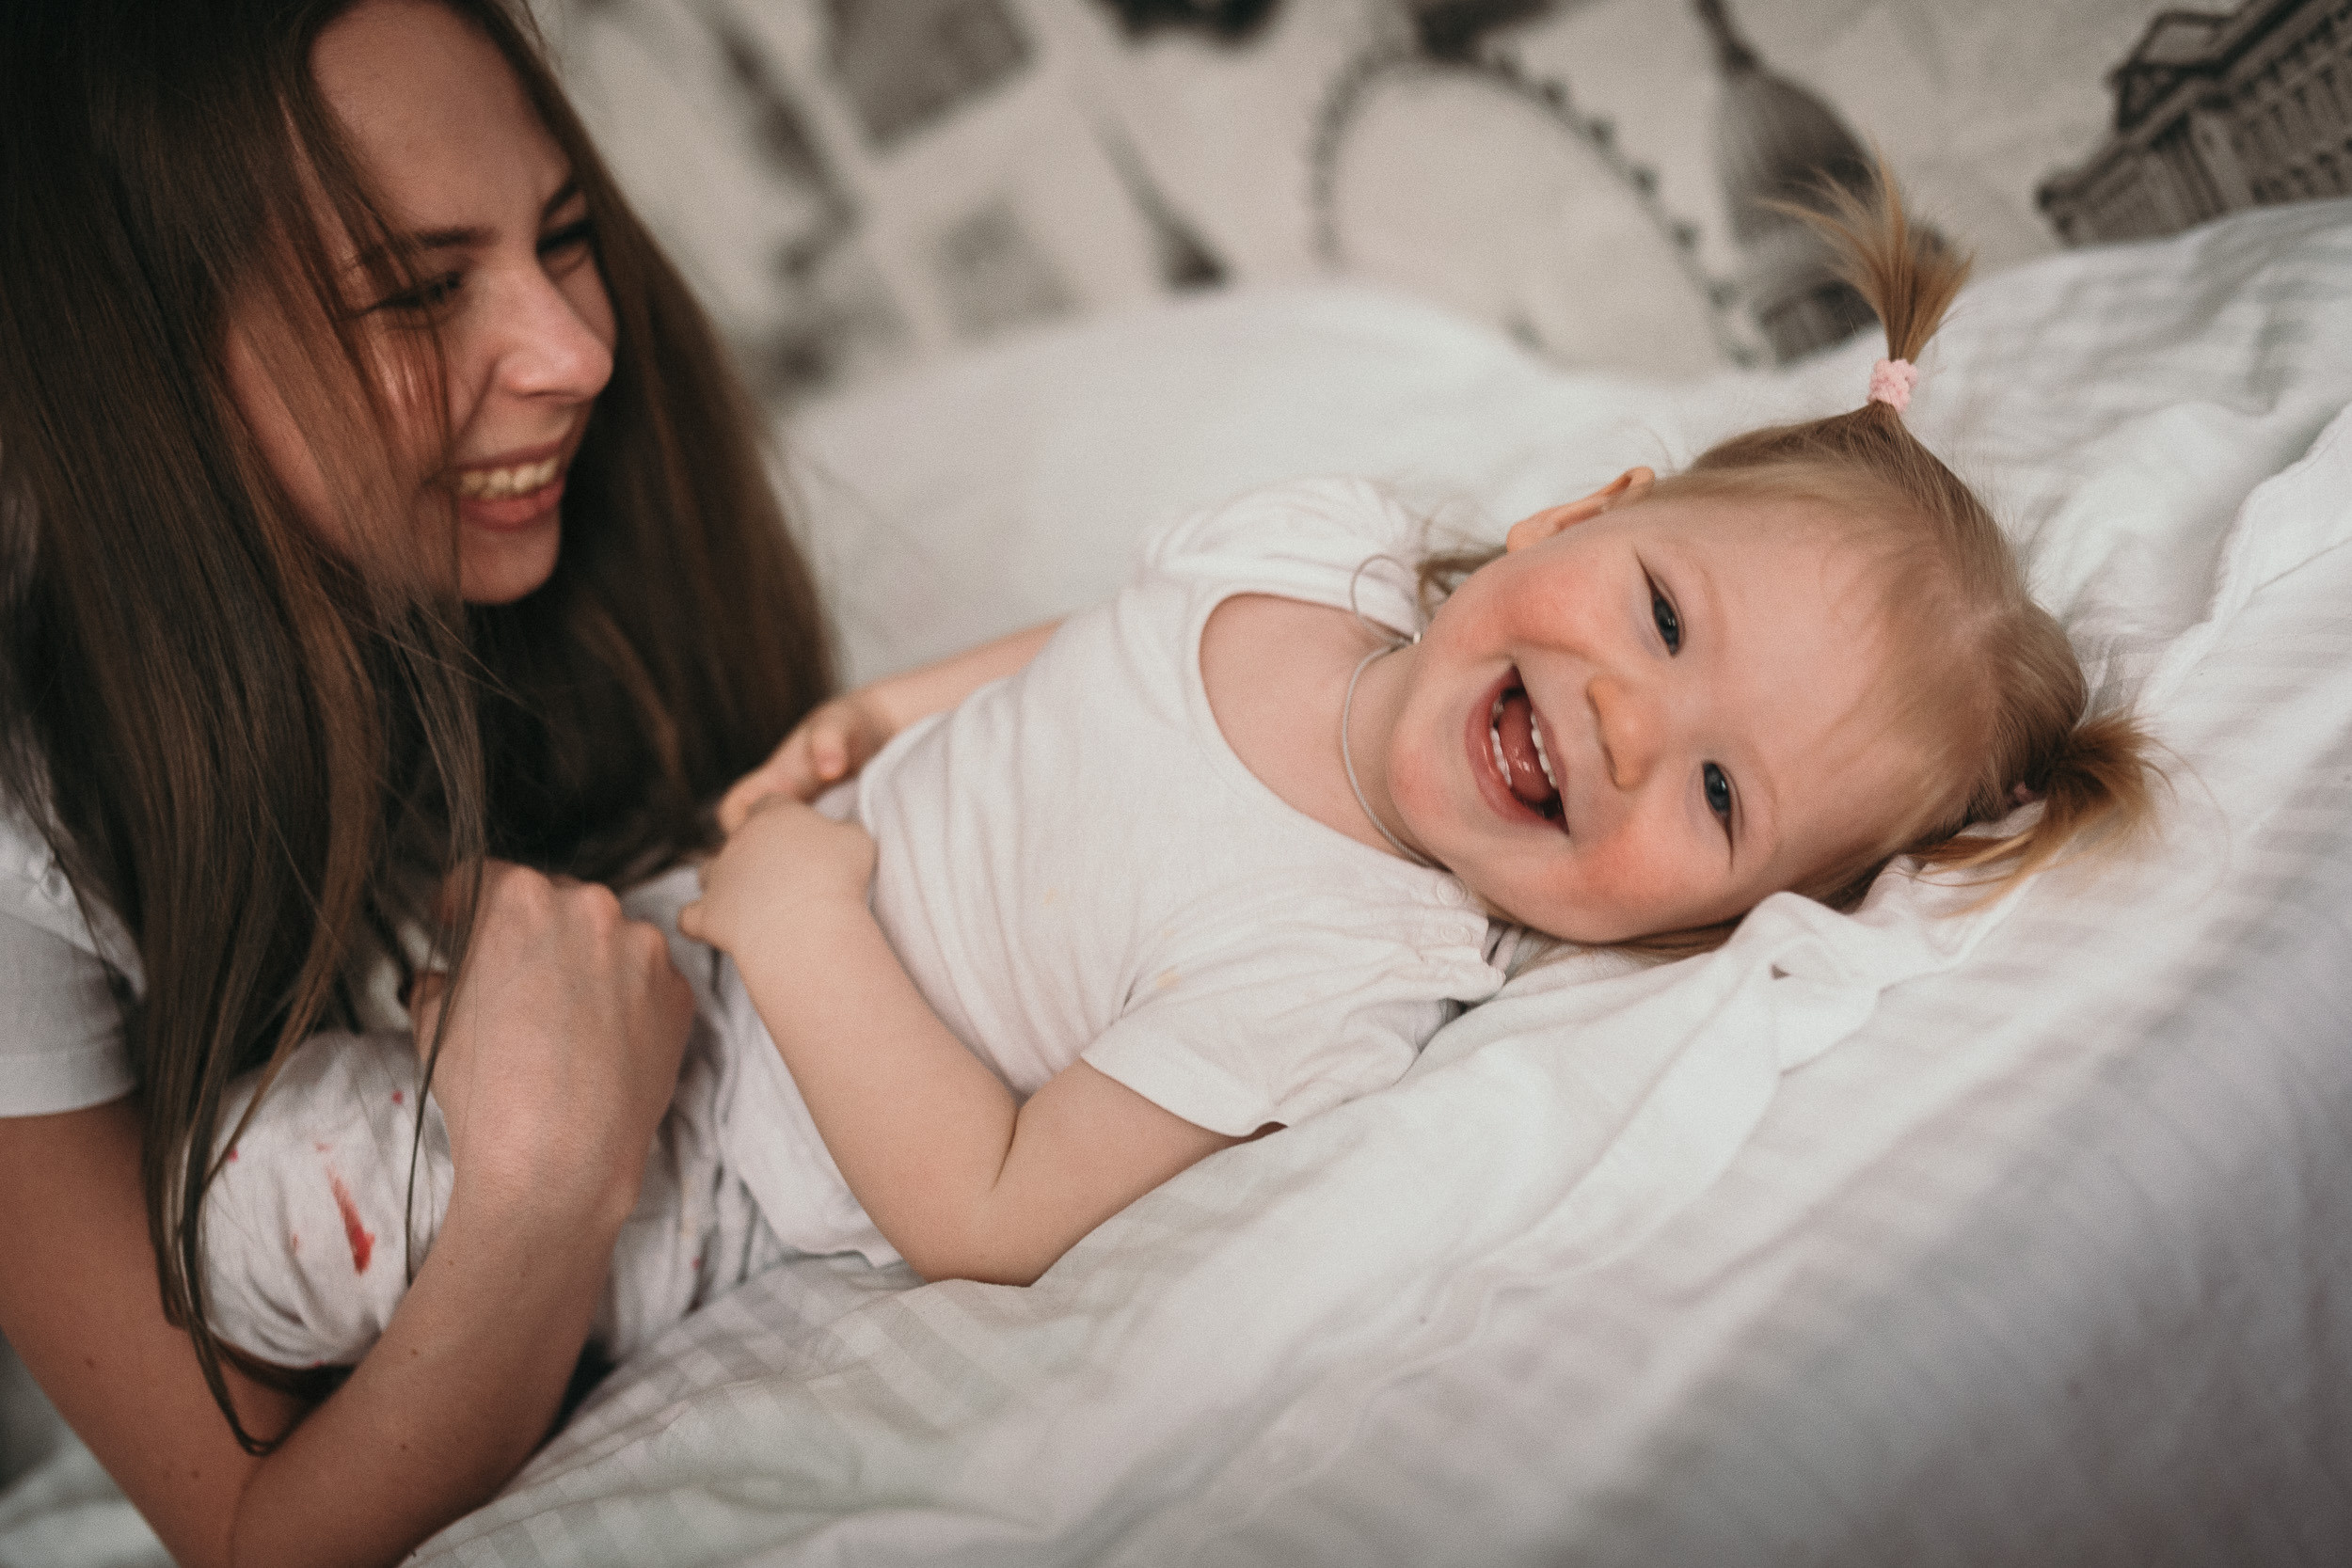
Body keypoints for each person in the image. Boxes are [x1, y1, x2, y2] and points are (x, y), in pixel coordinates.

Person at [195, 171, 2160, 1367]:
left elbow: (991, 1207)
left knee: (250, 1218)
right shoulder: (1321, 544)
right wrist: (887, 721)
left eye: (1719, 802)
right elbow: (1097, 647)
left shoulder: (1343, 970)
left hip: (698, 1165)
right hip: (673, 926)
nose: (1630, 724)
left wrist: (802, 925)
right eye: (1656, 615)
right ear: (1577, 511)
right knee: (310, 954)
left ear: (1712, 918)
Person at [0, 0, 832, 1563]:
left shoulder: (600, 551)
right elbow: (263, 1532)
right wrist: (546, 1179)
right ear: (148, 377)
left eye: (565, 235)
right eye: (422, 291)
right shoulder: (20, 859)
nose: (577, 352)